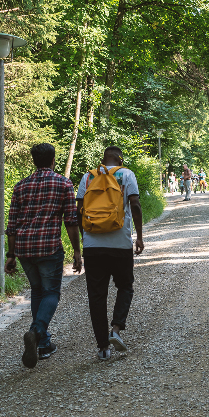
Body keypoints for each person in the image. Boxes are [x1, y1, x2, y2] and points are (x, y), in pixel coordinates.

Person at [4, 143, 82, 369]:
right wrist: (77, 251)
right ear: (53, 160)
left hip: (24, 249)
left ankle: (44, 344)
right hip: (48, 248)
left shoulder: (21, 186)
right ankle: (36, 332)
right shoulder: (63, 183)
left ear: (34, 161)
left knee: (37, 291)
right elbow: (71, 221)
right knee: (51, 293)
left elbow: (12, 224)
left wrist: (11, 254)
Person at [76, 146, 145, 360]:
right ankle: (115, 329)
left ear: (103, 159)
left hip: (92, 245)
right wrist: (140, 236)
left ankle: (103, 348)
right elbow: (135, 204)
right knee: (125, 286)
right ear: (120, 159)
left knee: (97, 295)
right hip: (120, 244)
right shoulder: (126, 174)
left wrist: (84, 238)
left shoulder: (88, 177)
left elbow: (79, 209)